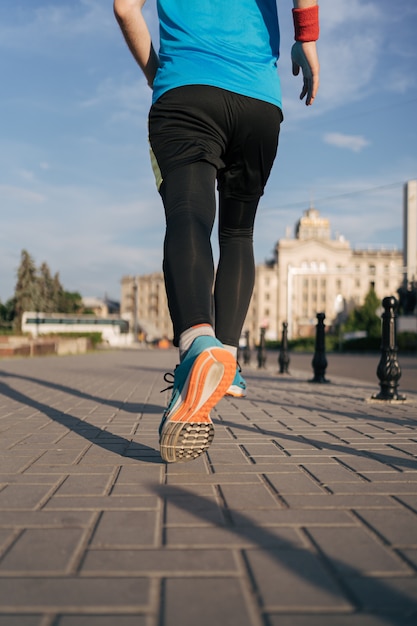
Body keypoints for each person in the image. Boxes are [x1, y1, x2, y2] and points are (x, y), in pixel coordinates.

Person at [114, 0, 320, 463]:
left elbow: (125, 8)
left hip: (185, 91)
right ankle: (225, 354)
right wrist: (306, 40)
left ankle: (196, 345)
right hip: (259, 100)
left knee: (188, 215)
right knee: (238, 234)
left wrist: (157, 74)